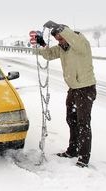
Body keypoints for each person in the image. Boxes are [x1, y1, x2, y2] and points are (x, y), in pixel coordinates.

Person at [35, 20, 97, 168]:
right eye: (58, 39)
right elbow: (49, 55)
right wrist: (42, 45)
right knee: (71, 119)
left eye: (61, 38)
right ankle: (73, 150)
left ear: (66, 34)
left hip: (85, 88)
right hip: (73, 89)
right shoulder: (63, 48)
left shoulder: (81, 43)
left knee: (83, 124)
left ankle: (83, 158)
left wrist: (60, 28)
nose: (60, 41)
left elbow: (73, 38)